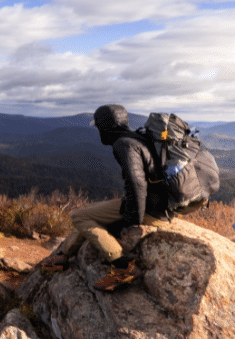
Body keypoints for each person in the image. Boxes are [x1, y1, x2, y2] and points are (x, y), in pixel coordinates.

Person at [40, 104, 171, 291]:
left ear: (106, 127)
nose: (99, 132)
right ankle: (61, 256)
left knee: (78, 216)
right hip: (159, 203)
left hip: (151, 208)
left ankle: (122, 265)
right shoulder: (136, 137)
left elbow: (137, 184)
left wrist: (130, 220)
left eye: (99, 127)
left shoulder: (123, 144)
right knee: (90, 215)